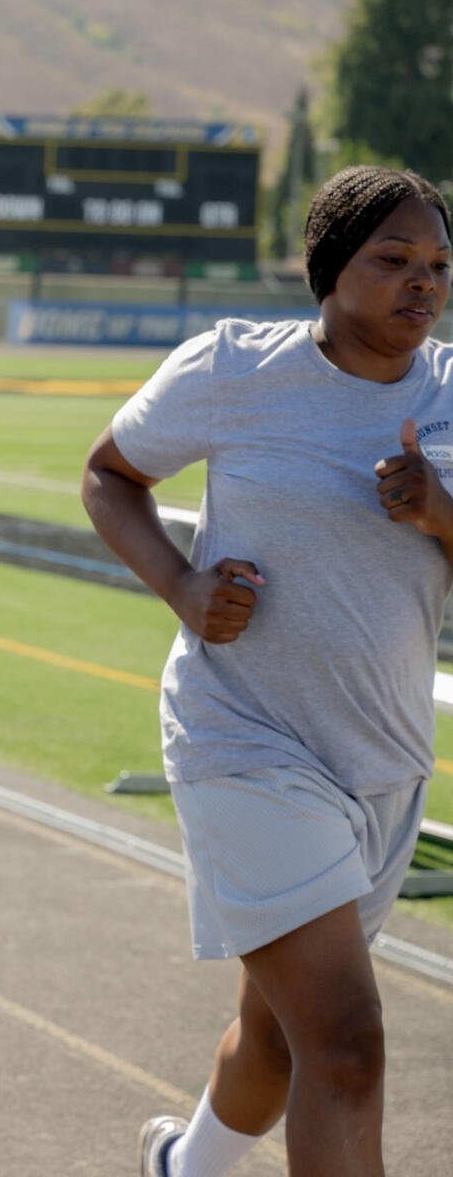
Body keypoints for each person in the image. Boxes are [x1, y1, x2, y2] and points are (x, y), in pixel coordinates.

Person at [81, 165, 452, 1177]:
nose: (422, 283)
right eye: (394, 259)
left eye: (438, 265)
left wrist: (442, 511)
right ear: (331, 269)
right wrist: (185, 587)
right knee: (350, 1043)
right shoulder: (235, 367)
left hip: (380, 760)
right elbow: (110, 473)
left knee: (283, 1036)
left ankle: (183, 1165)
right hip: (243, 735)